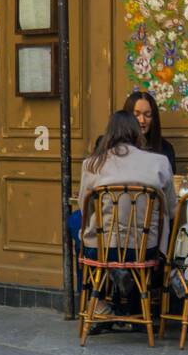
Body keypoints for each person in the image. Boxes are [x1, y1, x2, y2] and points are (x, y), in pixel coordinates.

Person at [70, 111, 175, 318]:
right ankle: (130, 289)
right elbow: (171, 209)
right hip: (146, 250)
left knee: (74, 223)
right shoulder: (160, 162)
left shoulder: (92, 164)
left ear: (110, 133)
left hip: (104, 250)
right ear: (137, 133)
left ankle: (95, 298)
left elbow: (84, 207)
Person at [123, 90, 176, 174]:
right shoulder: (115, 147)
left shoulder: (165, 148)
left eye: (147, 115)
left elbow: (169, 181)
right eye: (136, 115)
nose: (142, 120)